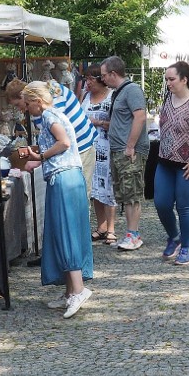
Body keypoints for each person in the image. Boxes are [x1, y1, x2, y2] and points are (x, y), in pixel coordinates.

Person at [5, 78, 98, 267]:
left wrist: (41, 158)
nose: (21, 110)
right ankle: (63, 256)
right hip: (69, 156)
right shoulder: (44, 102)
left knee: (76, 209)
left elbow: (62, 140)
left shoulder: (48, 111)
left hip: (80, 150)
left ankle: (76, 259)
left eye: (20, 104)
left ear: (28, 97)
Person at [21, 81, 93, 319]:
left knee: (67, 231)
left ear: (37, 102)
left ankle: (78, 290)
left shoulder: (50, 117)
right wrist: (38, 155)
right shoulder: (53, 116)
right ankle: (70, 290)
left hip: (65, 178)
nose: (26, 108)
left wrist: (40, 155)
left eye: (28, 103)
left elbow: (64, 143)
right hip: (65, 177)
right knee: (63, 231)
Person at [154, 61, 189, 265]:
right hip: (165, 161)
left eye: (172, 79)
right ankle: (174, 237)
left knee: (184, 207)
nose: (168, 83)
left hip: (188, 164)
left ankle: (186, 247)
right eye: (166, 79)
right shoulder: (168, 98)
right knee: (161, 203)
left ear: (184, 79)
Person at [100, 55, 149, 251]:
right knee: (125, 193)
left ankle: (133, 234)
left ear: (113, 74)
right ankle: (130, 233)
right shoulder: (118, 93)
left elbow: (140, 117)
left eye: (104, 75)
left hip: (130, 152)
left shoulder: (132, 90)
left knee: (133, 193)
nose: (102, 79)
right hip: (119, 150)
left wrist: (130, 146)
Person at [80, 64, 117, 245]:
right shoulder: (85, 96)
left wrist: (98, 122)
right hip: (88, 147)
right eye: (86, 79)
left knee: (108, 187)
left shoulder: (112, 96)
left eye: (90, 79)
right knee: (94, 187)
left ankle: (111, 228)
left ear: (100, 80)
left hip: (107, 145)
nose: (87, 83)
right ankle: (101, 226)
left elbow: (118, 124)